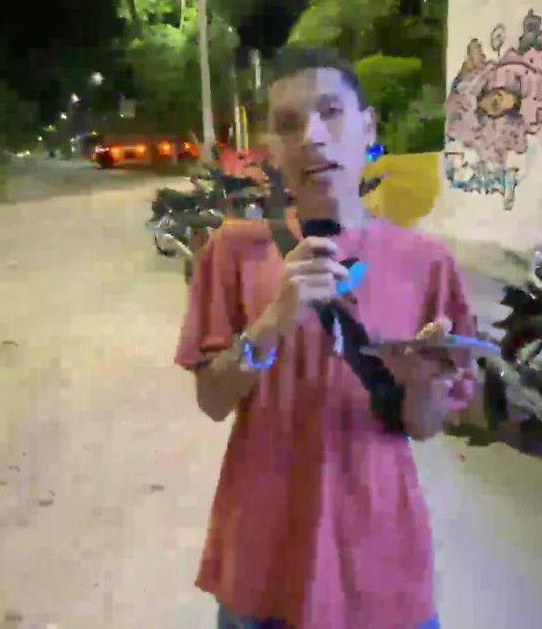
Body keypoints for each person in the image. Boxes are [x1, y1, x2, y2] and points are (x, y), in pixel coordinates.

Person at [174, 46, 478, 629]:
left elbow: (423, 426)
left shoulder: (426, 262)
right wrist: (274, 318)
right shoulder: (233, 251)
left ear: (368, 127)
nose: (312, 137)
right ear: (272, 149)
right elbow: (212, 401)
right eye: (289, 124)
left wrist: (422, 386)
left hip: (381, 563)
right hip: (261, 558)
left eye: (330, 112)